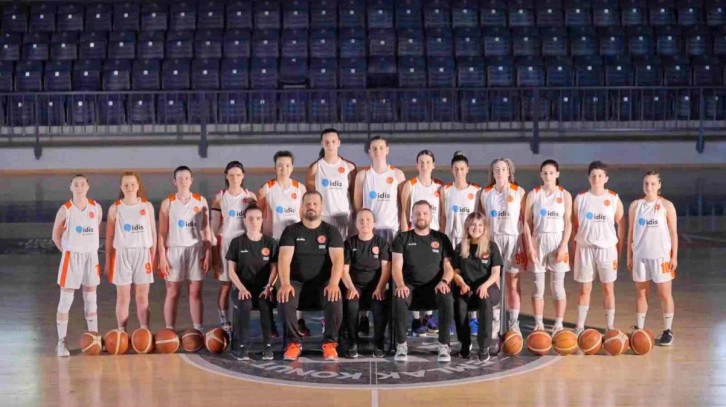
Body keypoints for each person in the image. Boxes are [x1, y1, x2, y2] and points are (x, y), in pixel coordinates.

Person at [277, 192, 345, 361]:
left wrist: (334, 283)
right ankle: (294, 343)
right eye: (308, 203)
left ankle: (330, 344)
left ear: (321, 207)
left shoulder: (331, 231)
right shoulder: (291, 231)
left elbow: (338, 259)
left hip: (323, 284)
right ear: (302, 207)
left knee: (335, 296)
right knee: (285, 296)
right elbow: (284, 259)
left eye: (315, 204)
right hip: (297, 283)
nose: (311, 207)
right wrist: (285, 283)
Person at [391, 200, 455, 362]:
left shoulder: (441, 238)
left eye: (425, 213)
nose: (421, 216)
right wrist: (400, 284)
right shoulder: (402, 238)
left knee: (447, 298)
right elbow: (396, 266)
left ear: (431, 216)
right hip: (410, 289)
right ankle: (401, 345)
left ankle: (444, 345)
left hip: (434, 289)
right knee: (398, 297)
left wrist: (444, 282)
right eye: (417, 213)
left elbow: (449, 268)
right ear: (411, 216)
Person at [258, 150, 309, 335]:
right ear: (275, 167)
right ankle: (271, 321)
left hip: (296, 241)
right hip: (275, 240)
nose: (283, 169)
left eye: (287, 165)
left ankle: (299, 319)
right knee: (272, 280)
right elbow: (259, 215)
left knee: (296, 278)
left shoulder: (300, 188)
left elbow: (304, 215)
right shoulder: (266, 189)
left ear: (292, 167)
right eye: (280, 165)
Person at [51, 174, 103, 357]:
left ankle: (95, 338)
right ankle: (61, 342)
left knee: (91, 299)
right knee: (66, 300)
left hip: (91, 257)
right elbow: (55, 236)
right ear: (71, 187)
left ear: (88, 187)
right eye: (76, 185)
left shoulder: (96, 207)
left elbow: (96, 229)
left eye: (82, 184)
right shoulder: (65, 210)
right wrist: (67, 252)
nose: (79, 187)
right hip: (71, 257)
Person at [572, 161, 625, 335]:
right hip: (585, 248)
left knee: (608, 288)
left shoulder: (613, 198)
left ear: (606, 178)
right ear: (589, 178)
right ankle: (580, 326)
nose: (597, 178)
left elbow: (621, 223)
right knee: (584, 289)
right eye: (593, 175)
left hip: (607, 250)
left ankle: (609, 326)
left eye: (600, 175)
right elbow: (574, 225)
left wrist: (619, 246)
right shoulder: (581, 198)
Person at [158, 166, 212, 331]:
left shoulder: (201, 201)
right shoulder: (168, 203)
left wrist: (208, 253)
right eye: (180, 178)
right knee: (172, 292)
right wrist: (162, 257)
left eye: (186, 178)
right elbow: (162, 233)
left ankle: (198, 329)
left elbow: (206, 229)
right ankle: (169, 330)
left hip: (196, 249)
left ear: (191, 180)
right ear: (174, 181)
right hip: (174, 250)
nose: (183, 181)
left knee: (195, 292)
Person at [480, 158, 527, 351]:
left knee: (513, 282)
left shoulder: (519, 192)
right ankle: (496, 321)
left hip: (513, 240)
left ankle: (514, 322)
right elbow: (482, 221)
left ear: (509, 172)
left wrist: (525, 244)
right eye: (496, 169)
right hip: (493, 240)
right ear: (492, 173)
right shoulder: (485, 193)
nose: (500, 172)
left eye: (503, 169)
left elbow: (525, 220)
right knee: (495, 283)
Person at [627, 171, 678, 346]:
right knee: (641, 293)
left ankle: (667, 330)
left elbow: (673, 233)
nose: (649, 187)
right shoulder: (636, 206)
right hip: (640, 256)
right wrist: (629, 255)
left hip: (661, 257)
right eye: (646, 183)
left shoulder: (666, 205)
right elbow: (630, 232)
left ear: (659, 186)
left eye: (653, 183)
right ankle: (639, 328)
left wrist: (674, 257)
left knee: (664, 293)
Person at [522, 160, 572, 334]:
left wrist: (563, 246)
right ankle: (539, 323)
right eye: (545, 173)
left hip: (558, 241)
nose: (548, 176)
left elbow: (569, 223)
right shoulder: (534, 194)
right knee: (538, 287)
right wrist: (530, 247)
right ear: (541, 175)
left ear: (557, 174)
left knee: (557, 287)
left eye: (551, 173)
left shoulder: (564, 195)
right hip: (538, 241)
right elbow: (526, 222)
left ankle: (558, 323)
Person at [226, 203, 279, 360]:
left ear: (262, 220)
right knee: (245, 303)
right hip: (243, 288)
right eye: (250, 218)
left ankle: (268, 346)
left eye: (257, 218)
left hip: (264, 288)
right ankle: (242, 346)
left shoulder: (270, 242)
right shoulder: (237, 243)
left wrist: (269, 286)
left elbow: (275, 269)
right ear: (244, 221)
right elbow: (231, 271)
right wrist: (241, 288)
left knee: (265, 303)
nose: (254, 222)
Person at [105, 172, 156, 333]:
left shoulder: (147, 207)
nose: (129, 187)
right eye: (126, 185)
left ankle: (145, 331)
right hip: (122, 255)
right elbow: (109, 237)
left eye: (133, 184)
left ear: (138, 186)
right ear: (121, 187)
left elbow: (153, 234)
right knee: (123, 297)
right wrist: (107, 260)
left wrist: (153, 256)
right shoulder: (115, 208)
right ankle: (122, 332)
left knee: (142, 296)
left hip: (143, 254)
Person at [399, 149, 443, 336]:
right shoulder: (410, 185)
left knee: (433, 275)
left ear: (433, 165)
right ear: (417, 164)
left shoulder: (440, 187)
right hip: (414, 237)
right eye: (421, 162)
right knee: (414, 275)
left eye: (428, 162)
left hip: (433, 238)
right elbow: (404, 212)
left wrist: (442, 236)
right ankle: (416, 319)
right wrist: (404, 236)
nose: (425, 165)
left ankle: (429, 317)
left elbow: (442, 214)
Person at [210, 161, 257, 333]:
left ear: (243, 176)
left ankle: (243, 320)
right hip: (226, 243)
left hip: (245, 244)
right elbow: (214, 229)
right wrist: (214, 254)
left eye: (238, 175)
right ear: (226, 176)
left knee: (245, 284)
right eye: (231, 175)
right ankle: (224, 321)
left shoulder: (250, 197)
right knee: (226, 285)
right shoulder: (219, 197)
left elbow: (256, 223)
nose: (235, 178)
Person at [441, 151, 482, 336]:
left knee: (470, 277)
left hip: (469, 241)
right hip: (451, 239)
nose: (459, 171)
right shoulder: (445, 190)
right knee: (451, 278)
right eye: (456, 168)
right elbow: (442, 217)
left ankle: (473, 318)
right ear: (452, 170)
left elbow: (479, 219)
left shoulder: (476, 191)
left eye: (462, 168)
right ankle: (450, 318)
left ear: (467, 169)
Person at [341, 209, 391, 358]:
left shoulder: (381, 243)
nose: (364, 223)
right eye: (361, 220)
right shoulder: (349, 243)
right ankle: (352, 342)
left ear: (374, 223)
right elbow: (344, 270)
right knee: (351, 303)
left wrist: (380, 287)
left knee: (380, 303)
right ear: (356, 224)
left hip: (375, 286)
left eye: (368, 219)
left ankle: (379, 343)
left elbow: (386, 269)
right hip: (355, 285)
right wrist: (350, 287)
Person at [452, 212, 502, 361]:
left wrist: (485, 286)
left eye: (480, 225)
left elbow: (495, 273)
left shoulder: (491, 246)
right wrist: (462, 283)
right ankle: (465, 343)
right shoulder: (460, 247)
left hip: (488, 288)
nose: (476, 228)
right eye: (473, 224)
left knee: (485, 300)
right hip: (467, 289)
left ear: (484, 228)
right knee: (459, 303)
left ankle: (484, 346)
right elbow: (455, 273)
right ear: (467, 227)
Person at [305, 128, 357, 239]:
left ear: (339, 143)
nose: (330, 145)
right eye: (326, 142)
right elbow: (311, 195)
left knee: (343, 248)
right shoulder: (315, 168)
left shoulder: (349, 167)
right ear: (322, 143)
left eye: (333, 141)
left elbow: (354, 193)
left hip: (343, 215)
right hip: (323, 216)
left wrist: (355, 213)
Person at [353, 135, 406, 242]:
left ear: (387, 150)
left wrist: (404, 230)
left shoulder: (397, 174)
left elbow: (404, 206)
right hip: (369, 231)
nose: (378, 151)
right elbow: (358, 206)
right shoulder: (362, 175)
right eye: (374, 148)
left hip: (392, 230)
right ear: (369, 151)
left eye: (381, 148)